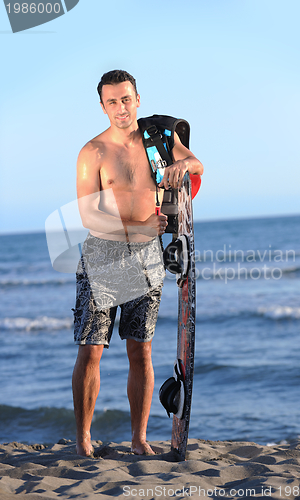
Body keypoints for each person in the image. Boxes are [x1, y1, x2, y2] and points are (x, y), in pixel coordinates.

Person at [72, 70, 204, 457]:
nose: (120, 108)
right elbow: (89, 217)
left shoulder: (159, 139)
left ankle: (138, 438)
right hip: (103, 256)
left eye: (126, 99)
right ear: (102, 106)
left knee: (140, 351)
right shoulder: (92, 152)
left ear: (138, 99)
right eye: (112, 101)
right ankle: (83, 439)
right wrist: (142, 225)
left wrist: (185, 165)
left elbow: (196, 164)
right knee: (91, 349)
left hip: (147, 258)